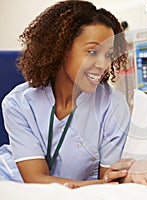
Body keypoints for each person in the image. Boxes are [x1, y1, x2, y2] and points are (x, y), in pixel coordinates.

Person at [0, 0, 131, 187]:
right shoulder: (19, 103)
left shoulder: (113, 105)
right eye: (92, 51)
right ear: (61, 49)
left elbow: (110, 183)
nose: (103, 64)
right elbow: (35, 180)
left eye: (109, 54)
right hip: (14, 183)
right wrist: (97, 184)